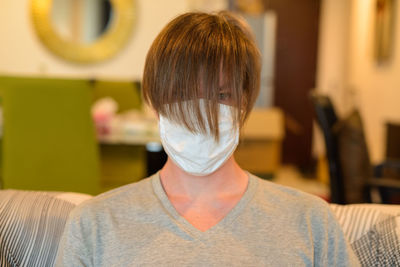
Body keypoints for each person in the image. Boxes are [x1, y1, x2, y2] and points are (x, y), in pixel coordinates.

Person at [55, 11, 359, 266]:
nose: (202, 113)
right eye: (183, 94)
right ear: (154, 102)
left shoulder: (310, 222)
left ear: (245, 102)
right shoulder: (94, 224)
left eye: (222, 94)